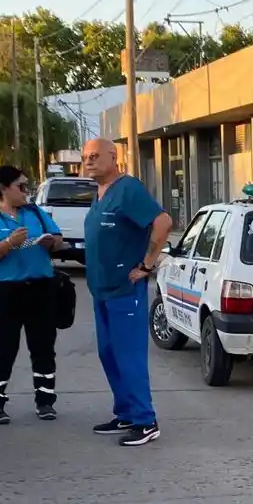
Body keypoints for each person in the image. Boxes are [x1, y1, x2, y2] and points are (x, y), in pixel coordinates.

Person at [81, 137, 173, 447]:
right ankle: (126, 413)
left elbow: (163, 222)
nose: (89, 161)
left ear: (113, 156)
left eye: (95, 155)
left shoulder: (128, 189)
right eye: (85, 156)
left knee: (128, 355)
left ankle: (145, 421)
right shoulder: (100, 193)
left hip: (125, 290)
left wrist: (147, 264)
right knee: (109, 353)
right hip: (102, 290)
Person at [0, 165, 66, 424]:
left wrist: (52, 242)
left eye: (27, 186)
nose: (27, 191)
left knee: (44, 348)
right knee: (3, 349)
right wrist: (8, 244)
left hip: (41, 288)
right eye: (21, 186)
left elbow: (58, 239)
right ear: (4, 188)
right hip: (6, 292)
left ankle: (45, 402)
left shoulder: (35, 212)